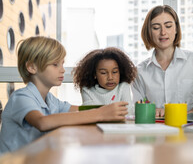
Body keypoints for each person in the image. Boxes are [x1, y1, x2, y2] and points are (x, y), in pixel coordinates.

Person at [0, 37, 128, 154]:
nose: (62, 69)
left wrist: (108, 109)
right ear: (32, 67)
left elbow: (80, 109)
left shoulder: (50, 100)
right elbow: (42, 122)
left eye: (62, 63)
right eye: (55, 64)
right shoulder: (21, 97)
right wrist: (101, 113)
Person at [131, 5, 193, 117]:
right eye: (156, 28)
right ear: (149, 32)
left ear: (176, 29)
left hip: (191, 129)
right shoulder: (139, 71)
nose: (163, 32)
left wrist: (187, 114)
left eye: (168, 26)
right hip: (156, 130)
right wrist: (152, 111)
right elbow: (138, 108)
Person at [72, 47, 137, 116]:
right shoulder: (87, 90)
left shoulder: (123, 87)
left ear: (120, 72)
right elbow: (90, 114)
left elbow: (128, 113)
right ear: (94, 74)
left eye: (114, 72)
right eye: (103, 73)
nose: (110, 78)